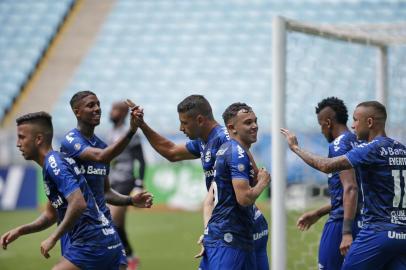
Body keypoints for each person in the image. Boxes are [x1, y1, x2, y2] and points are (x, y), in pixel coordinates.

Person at [130, 95, 269, 269]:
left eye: (184, 123)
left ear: (200, 120)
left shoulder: (225, 140)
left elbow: (254, 175)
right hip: (225, 227)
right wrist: (142, 125)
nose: (181, 128)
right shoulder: (204, 142)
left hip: (239, 227)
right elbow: (171, 151)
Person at [281, 101, 406, 269]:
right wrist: (319, 212)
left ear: (369, 123)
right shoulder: (401, 149)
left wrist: (296, 148)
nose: (353, 126)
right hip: (401, 233)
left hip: (376, 232)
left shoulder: (370, 149)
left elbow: (327, 166)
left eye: (355, 120)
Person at [1, 112, 123, 269]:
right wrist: (20, 230)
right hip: (100, 241)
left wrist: (53, 237)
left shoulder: (54, 163)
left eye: (22, 137)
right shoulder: (54, 163)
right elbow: (51, 215)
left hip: (92, 244)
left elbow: (78, 203)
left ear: (38, 139)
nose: (18, 143)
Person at [60, 91, 153, 270]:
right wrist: (131, 130)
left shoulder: (102, 144)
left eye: (99, 105)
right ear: (77, 112)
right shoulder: (72, 140)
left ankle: (130, 256)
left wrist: (132, 198)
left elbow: (106, 190)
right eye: (91, 105)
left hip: (105, 219)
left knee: (118, 239)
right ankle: (131, 255)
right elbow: (102, 157)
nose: (99, 109)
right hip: (78, 228)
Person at [295, 97, 362, 269]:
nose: (321, 130)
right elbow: (352, 193)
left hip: (342, 224)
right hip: (364, 222)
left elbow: (351, 188)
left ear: (328, 122)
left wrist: (346, 232)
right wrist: (318, 212)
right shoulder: (359, 141)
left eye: (320, 125)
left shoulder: (339, 145)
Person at [202, 102, 271, 269]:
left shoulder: (230, 149)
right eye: (248, 122)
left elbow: (211, 199)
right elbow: (244, 198)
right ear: (232, 128)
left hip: (235, 235)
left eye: (255, 121)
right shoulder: (236, 153)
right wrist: (263, 182)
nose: (255, 126)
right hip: (228, 237)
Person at [108, 101, 147, 267]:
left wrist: (139, 183)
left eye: (115, 110)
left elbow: (142, 161)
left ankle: (124, 258)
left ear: (123, 113)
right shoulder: (111, 132)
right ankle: (130, 256)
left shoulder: (131, 133)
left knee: (111, 220)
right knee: (118, 224)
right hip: (112, 180)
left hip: (126, 180)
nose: (111, 113)